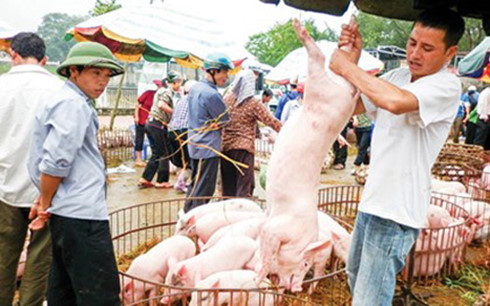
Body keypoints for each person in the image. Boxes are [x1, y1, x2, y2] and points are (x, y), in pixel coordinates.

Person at [329, 8, 464, 305]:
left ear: (450, 53)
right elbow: (350, 105)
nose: (415, 53)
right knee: (356, 280)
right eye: (413, 43)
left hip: (397, 211)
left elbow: (394, 101)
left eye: (427, 48)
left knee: (369, 298)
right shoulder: (399, 75)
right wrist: (351, 57)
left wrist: (347, 68)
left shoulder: (446, 85)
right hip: (373, 202)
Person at [27, 41, 124, 305]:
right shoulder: (73, 105)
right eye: (95, 73)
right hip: (82, 215)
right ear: (74, 72)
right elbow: (57, 161)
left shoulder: (67, 100)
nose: (102, 82)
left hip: (66, 210)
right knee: (100, 293)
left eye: (106, 76)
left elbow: (51, 160)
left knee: (64, 289)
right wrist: (45, 203)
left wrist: (43, 199)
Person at [0, 32, 62, 306]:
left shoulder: (1, 86)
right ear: (45, 60)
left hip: (4, 186)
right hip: (47, 190)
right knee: (39, 258)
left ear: (12, 55)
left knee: (3, 254)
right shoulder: (59, 90)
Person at [184, 52, 234, 213]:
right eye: (224, 72)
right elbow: (224, 120)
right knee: (204, 189)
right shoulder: (211, 94)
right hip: (207, 147)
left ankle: (186, 215)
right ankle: (194, 221)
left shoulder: (196, 88)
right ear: (213, 71)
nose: (226, 77)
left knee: (195, 184)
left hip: (194, 143)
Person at [221, 69, 281, 197]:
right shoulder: (253, 103)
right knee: (244, 186)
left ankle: (227, 212)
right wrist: (288, 130)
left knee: (228, 186)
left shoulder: (227, 100)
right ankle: (242, 212)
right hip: (243, 149)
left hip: (225, 148)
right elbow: (271, 121)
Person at [138, 71, 182, 189]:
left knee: (156, 153)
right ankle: (162, 181)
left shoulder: (161, 91)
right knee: (164, 154)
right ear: (175, 82)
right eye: (179, 83)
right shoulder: (166, 91)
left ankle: (145, 178)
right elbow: (162, 105)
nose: (180, 86)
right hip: (157, 125)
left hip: (151, 123)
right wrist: (174, 112)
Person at [168, 79, 198, 193]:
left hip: (172, 132)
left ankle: (181, 182)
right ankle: (181, 183)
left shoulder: (181, 100)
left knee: (182, 162)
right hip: (184, 132)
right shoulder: (193, 100)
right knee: (191, 162)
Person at [133, 80, 162, 167]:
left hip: (152, 122)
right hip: (141, 120)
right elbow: (137, 104)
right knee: (139, 139)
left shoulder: (162, 97)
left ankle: (154, 159)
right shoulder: (149, 93)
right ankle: (138, 159)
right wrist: (136, 116)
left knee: (154, 140)